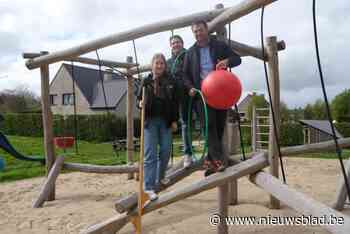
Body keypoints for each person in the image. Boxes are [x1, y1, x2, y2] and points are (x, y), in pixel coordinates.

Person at [183, 20, 241, 176]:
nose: (198, 33)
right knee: (209, 126)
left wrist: (226, 61)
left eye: (200, 30)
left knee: (220, 127)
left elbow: (237, 59)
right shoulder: (190, 53)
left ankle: (210, 161)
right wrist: (190, 88)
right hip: (202, 95)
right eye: (195, 31)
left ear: (206, 30)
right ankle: (218, 160)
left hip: (221, 92)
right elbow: (185, 75)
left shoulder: (219, 46)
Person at [137, 53, 179, 200]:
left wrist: (175, 120)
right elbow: (139, 100)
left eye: (162, 63)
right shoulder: (146, 81)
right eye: (157, 63)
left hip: (165, 121)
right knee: (150, 154)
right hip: (150, 121)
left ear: (164, 66)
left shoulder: (170, 81)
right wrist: (140, 104)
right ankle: (148, 187)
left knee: (166, 150)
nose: (159, 66)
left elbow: (175, 103)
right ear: (152, 65)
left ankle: (160, 177)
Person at [167, 35, 193, 168]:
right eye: (173, 43)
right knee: (184, 124)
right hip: (178, 96)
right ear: (170, 46)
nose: (175, 45)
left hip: (192, 93)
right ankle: (188, 153)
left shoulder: (190, 55)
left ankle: (212, 151)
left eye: (177, 42)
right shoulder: (169, 62)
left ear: (182, 43)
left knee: (205, 121)